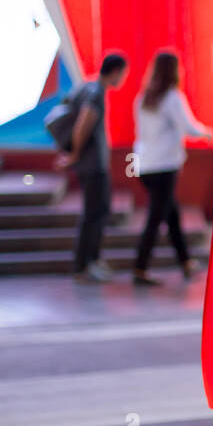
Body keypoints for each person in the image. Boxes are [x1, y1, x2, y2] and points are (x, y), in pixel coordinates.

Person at [131, 50, 213, 286]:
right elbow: (189, 127)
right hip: (165, 166)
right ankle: (140, 267)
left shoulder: (144, 98)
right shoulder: (172, 97)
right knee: (156, 218)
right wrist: (209, 133)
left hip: (145, 165)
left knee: (171, 214)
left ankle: (185, 262)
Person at [56, 51, 129, 282]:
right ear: (116, 71)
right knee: (93, 214)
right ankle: (85, 265)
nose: (123, 78)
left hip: (92, 164)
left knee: (98, 212)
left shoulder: (87, 87)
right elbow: (82, 126)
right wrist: (75, 154)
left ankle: (91, 261)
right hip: (93, 165)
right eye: (123, 74)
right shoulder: (96, 93)